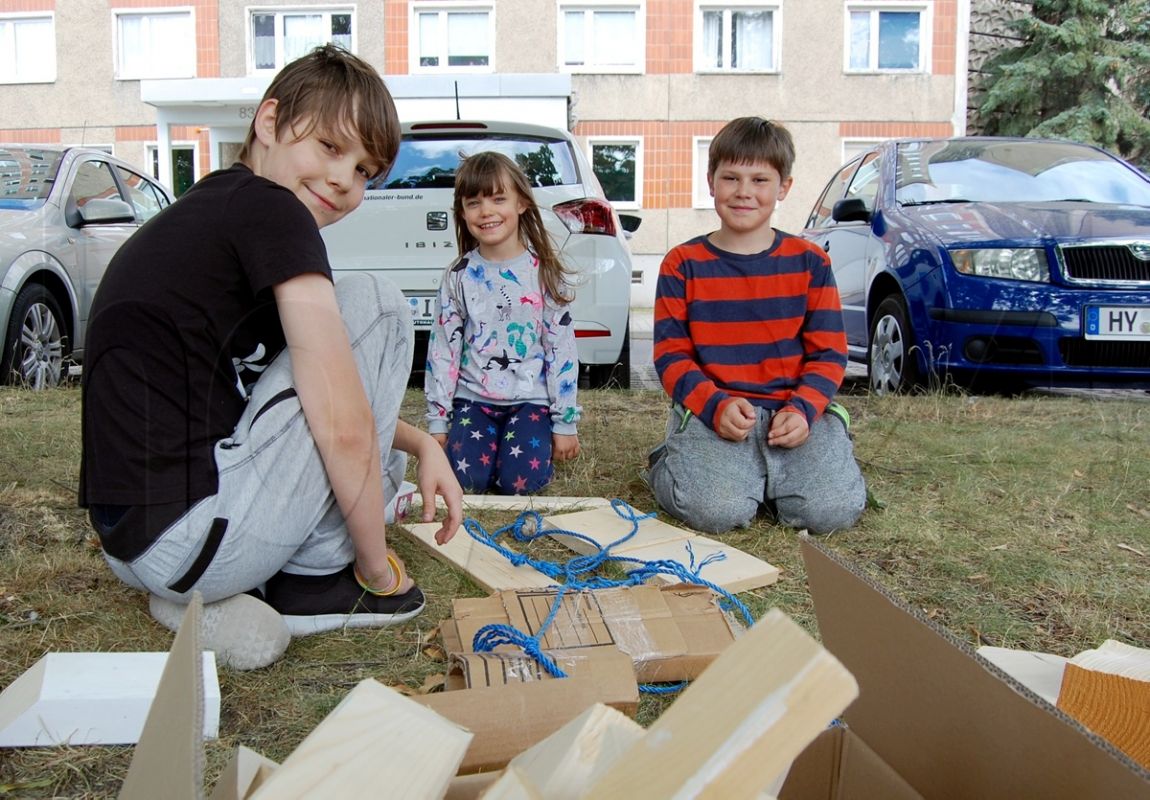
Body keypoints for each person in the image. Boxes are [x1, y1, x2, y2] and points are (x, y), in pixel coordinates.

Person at [78, 45, 463, 670]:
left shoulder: (214, 213)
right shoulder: (271, 208)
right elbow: (336, 421)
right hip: (196, 536)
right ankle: (312, 581)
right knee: (378, 304)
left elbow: (291, 404)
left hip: (135, 548)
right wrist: (374, 570)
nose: (345, 180)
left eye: (365, 170)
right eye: (331, 148)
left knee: (373, 448)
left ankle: (215, 594)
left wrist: (422, 445)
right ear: (268, 122)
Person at [645, 116, 865, 535]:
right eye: (731, 177)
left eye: (760, 179)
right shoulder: (682, 263)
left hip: (795, 412)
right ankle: (671, 459)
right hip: (719, 411)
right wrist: (714, 404)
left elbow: (828, 354)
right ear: (711, 182)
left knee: (832, 513)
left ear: (783, 187)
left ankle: (786, 472)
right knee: (715, 512)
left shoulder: (810, 262)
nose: (744, 191)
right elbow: (671, 356)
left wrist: (803, 409)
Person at [424, 151, 581, 495]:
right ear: (462, 212)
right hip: (473, 399)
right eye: (474, 202)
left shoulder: (544, 273)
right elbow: (443, 350)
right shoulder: (458, 276)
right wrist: (438, 420)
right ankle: (487, 450)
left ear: (522, 202)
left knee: (519, 483)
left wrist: (564, 422)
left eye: (498, 198)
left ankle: (515, 452)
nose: (487, 211)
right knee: (466, 481)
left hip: (530, 401)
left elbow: (562, 349)